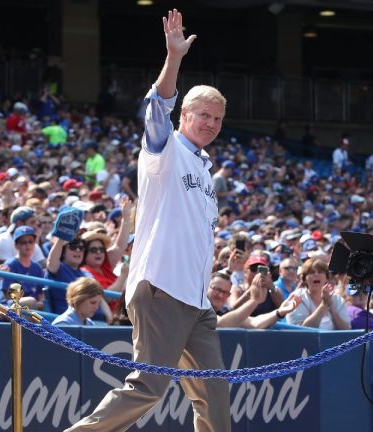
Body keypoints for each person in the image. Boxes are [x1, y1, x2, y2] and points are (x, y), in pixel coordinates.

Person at [66, 10, 231, 431]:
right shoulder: (164, 150)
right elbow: (157, 107)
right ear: (185, 116)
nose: (210, 124)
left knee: (214, 395)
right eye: (203, 115)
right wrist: (174, 58)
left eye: (217, 118)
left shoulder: (204, 166)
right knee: (149, 387)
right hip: (162, 289)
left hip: (196, 301)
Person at [210, 272, 300, 329]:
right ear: (206, 287)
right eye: (217, 289)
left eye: (225, 293)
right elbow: (221, 324)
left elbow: (254, 323)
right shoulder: (200, 307)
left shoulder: (225, 310)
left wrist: (279, 312)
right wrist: (254, 301)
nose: (220, 295)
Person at [286, 258, 350, 330]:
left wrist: (331, 309)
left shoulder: (337, 299)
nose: (316, 274)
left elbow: (346, 330)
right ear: (304, 279)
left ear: (326, 278)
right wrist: (324, 305)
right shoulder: (297, 298)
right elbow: (300, 331)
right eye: (311, 272)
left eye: (320, 272)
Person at [0, 226, 45, 309]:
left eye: (31, 241)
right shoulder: (10, 264)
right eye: (23, 242)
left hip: (31, 307)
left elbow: (41, 294)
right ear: (16, 245)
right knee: (30, 301)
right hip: (10, 306)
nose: (28, 245)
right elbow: (6, 295)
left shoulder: (37, 267)